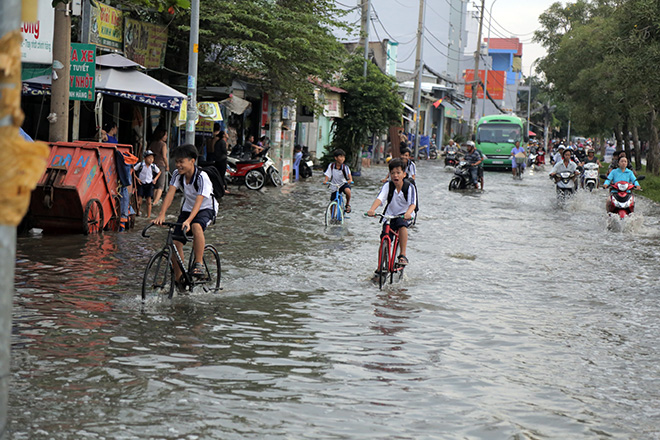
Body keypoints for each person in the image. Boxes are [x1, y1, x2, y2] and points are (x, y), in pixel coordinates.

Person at [153, 144, 219, 284]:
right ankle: (179, 281)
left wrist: (189, 220)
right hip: (188, 208)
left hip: (206, 208)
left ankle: (199, 263)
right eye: (177, 162)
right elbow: (170, 194)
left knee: (196, 226)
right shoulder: (177, 174)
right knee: (175, 243)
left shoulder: (202, 177)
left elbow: (199, 201)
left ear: (192, 161)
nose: (178, 165)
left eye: (181, 161)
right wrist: (161, 214)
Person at [367, 158, 417, 267]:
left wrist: (408, 213)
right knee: (385, 237)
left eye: (398, 173)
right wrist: (372, 209)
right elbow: (380, 199)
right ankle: (380, 268)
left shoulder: (409, 187)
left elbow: (413, 204)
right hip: (389, 215)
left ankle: (402, 255)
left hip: (404, 215)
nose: (395, 176)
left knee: (402, 226)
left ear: (404, 174)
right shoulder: (387, 186)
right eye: (393, 173)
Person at [323, 149, 353, 213]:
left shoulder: (345, 167)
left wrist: (350, 180)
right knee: (333, 202)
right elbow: (328, 174)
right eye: (341, 157)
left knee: (348, 191)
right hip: (334, 185)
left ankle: (347, 204)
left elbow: (349, 175)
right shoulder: (331, 166)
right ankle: (332, 217)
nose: (342, 159)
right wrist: (325, 181)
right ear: (336, 158)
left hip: (343, 184)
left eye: (343, 157)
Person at [134, 150, 161, 218]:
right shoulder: (140, 165)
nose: (151, 160)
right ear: (144, 158)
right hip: (141, 183)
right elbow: (132, 171)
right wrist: (137, 179)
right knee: (139, 201)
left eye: (152, 158)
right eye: (149, 158)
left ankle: (148, 216)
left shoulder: (153, 166)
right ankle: (138, 212)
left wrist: (155, 179)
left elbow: (159, 172)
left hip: (149, 184)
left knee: (149, 201)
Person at [150, 127, 169, 206]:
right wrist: (167, 166)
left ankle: (154, 200)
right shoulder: (163, 144)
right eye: (165, 135)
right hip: (161, 165)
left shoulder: (153, 143)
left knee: (155, 185)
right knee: (161, 185)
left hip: (153, 165)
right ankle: (155, 202)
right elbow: (164, 156)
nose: (166, 137)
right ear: (162, 135)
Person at [213, 129, 229, 193]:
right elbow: (224, 151)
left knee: (220, 174)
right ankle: (223, 188)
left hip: (218, 160)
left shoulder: (218, 142)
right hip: (222, 160)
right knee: (221, 175)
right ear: (223, 135)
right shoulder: (222, 142)